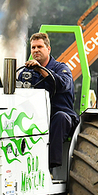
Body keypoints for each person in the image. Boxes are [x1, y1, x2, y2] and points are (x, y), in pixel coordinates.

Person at [18, 32, 80, 170]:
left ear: (48, 49)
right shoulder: (26, 73)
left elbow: (62, 84)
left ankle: (49, 167)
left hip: (61, 118)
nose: (36, 50)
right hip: (36, 118)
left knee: (60, 118)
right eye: (33, 48)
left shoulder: (61, 68)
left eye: (39, 46)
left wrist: (40, 70)